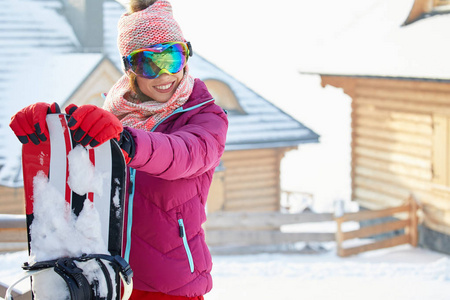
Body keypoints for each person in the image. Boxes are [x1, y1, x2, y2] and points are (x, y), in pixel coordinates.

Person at [9, 0, 228, 299]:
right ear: (130, 68)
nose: (164, 75)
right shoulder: (114, 116)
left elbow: (183, 154)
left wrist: (129, 142)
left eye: (172, 58)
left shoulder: (206, 118)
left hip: (169, 283)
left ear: (187, 56)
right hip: (108, 277)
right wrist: (48, 130)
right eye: (149, 63)